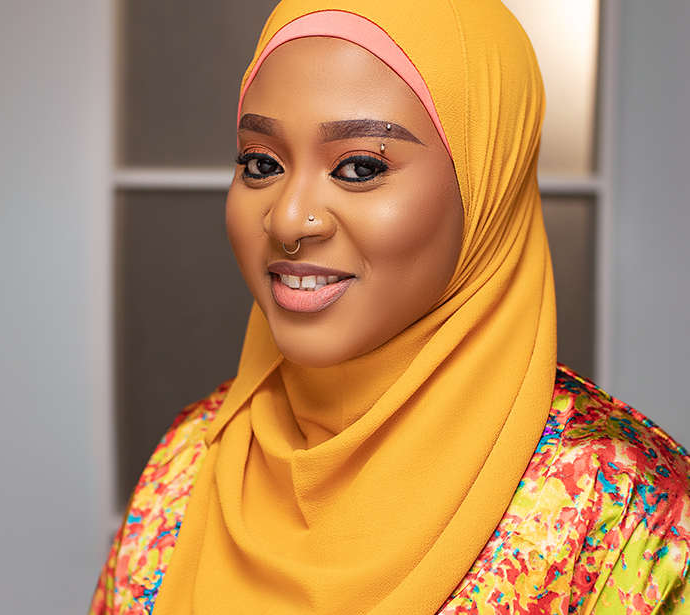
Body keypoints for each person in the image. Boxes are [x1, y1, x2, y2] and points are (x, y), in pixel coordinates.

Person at [91, 0, 690, 612]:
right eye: (260, 163)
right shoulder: (189, 460)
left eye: (358, 166)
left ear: (487, 187)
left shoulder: (623, 509)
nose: (290, 219)